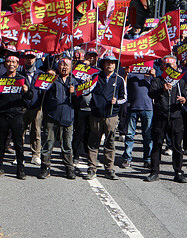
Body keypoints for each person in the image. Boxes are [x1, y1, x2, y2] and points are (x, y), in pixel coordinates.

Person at [146, 55, 187, 183]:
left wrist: (184, 100)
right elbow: (151, 94)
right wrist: (162, 89)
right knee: (157, 144)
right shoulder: (157, 80)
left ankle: (178, 171)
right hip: (160, 117)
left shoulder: (180, 82)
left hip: (176, 117)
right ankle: (154, 171)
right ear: (163, 67)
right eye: (167, 66)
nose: (170, 68)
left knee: (177, 146)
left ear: (176, 67)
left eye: (172, 66)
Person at [0, 53, 33, 179]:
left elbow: (30, 96)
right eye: (9, 62)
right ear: (5, 64)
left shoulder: (22, 78)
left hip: (17, 114)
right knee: (1, 144)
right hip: (3, 114)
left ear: (17, 65)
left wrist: (26, 90)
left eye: (14, 62)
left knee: (19, 144)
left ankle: (20, 169)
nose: (11, 65)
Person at [86, 52, 126, 180]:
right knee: (93, 143)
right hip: (96, 114)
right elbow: (86, 91)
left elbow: (124, 98)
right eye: (108, 62)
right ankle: (92, 168)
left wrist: (117, 102)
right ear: (103, 64)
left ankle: (109, 169)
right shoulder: (95, 76)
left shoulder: (119, 79)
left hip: (111, 116)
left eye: (113, 63)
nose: (110, 65)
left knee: (110, 143)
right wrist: (87, 83)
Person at [39, 56, 78, 179]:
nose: (64, 67)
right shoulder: (52, 78)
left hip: (68, 117)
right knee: (48, 143)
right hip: (51, 117)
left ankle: (69, 168)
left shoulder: (75, 81)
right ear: (58, 66)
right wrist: (47, 76)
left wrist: (75, 92)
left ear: (71, 67)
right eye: (62, 64)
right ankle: (45, 167)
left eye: (67, 65)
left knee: (67, 145)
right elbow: (40, 87)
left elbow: (82, 100)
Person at [120, 66, 154, 168]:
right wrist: (126, 74)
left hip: (148, 108)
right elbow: (123, 86)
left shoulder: (149, 73)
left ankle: (147, 159)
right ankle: (127, 158)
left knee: (147, 136)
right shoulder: (131, 72)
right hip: (133, 107)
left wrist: (154, 75)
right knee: (129, 135)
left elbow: (157, 87)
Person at [21, 52, 43, 165]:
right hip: (23, 106)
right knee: (20, 132)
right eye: (27, 58)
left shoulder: (41, 74)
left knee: (36, 131)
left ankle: (36, 155)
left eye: (32, 58)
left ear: (35, 59)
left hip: (36, 107)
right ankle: (19, 155)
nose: (29, 60)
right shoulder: (19, 74)